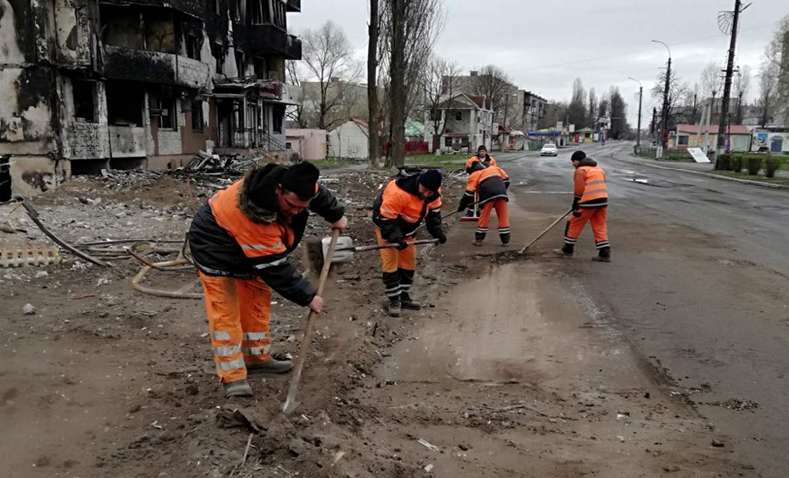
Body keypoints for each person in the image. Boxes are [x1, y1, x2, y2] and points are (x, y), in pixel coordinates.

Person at [188, 162, 347, 398]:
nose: (295, 211)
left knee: (256, 301)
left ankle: (256, 358)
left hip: (251, 249)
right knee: (225, 311)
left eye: (302, 207)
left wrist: (336, 215)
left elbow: (319, 195)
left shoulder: (299, 185)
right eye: (291, 205)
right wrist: (308, 296)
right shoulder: (253, 213)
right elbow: (275, 267)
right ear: (279, 190)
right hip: (215, 248)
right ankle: (232, 377)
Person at [372, 169, 447, 317]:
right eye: (424, 190)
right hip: (387, 227)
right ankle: (394, 300)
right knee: (391, 263)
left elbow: (433, 216)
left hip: (409, 231)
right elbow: (386, 220)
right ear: (419, 183)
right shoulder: (398, 192)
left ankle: (404, 296)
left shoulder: (434, 193)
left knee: (408, 264)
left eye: (430, 192)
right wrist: (396, 238)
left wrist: (437, 232)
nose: (426, 194)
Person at [556, 151, 610, 262]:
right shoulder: (599, 169)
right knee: (599, 225)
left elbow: (579, 189)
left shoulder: (581, 171)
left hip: (588, 201)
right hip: (602, 201)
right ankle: (604, 252)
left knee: (574, 223)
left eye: (573, 161)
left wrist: (576, 203)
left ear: (577, 161)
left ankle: (568, 249)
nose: (572, 164)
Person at [457, 162, 511, 246]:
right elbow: (507, 180)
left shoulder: (475, 174)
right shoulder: (495, 168)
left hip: (487, 195)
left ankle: (479, 240)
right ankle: (505, 241)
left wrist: (462, 206)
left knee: (484, 217)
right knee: (503, 217)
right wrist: (500, 191)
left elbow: (468, 193)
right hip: (502, 194)